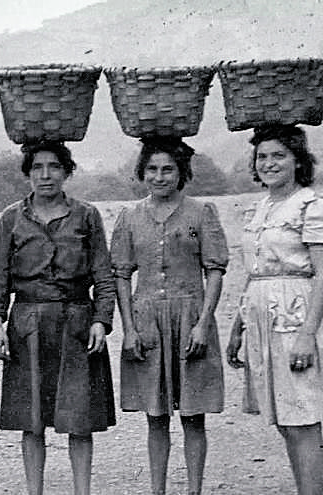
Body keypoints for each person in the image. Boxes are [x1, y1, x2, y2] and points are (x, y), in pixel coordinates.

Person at [0, 140, 116, 495]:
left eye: (54, 167)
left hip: (76, 321)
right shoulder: (12, 217)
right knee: (32, 421)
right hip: (27, 324)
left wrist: (100, 321)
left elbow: (103, 274)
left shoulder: (86, 215)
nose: (46, 175)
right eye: (37, 168)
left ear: (67, 172)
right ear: (28, 174)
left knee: (80, 419)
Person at [110, 137, 227, 495]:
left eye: (167, 169)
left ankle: (194, 489)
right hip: (147, 322)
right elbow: (121, 274)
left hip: (190, 318)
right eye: (152, 170)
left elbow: (215, 269)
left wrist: (203, 323)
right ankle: (157, 489)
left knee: (193, 416)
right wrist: (129, 330)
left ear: (181, 173)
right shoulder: (129, 216)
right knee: (156, 416)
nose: (159, 177)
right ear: (142, 173)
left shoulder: (201, 212)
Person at [226, 124, 323, 495]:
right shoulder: (260, 207)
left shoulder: (311, 205)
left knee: (303, 417)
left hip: (295, 317)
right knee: (285, 420)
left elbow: (322, 274)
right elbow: (254, 273)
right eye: (262, 157)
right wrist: (237, 325)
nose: (269, 163)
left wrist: (306, 334)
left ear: (298, 161)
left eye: (279, 155)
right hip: (260, 315)